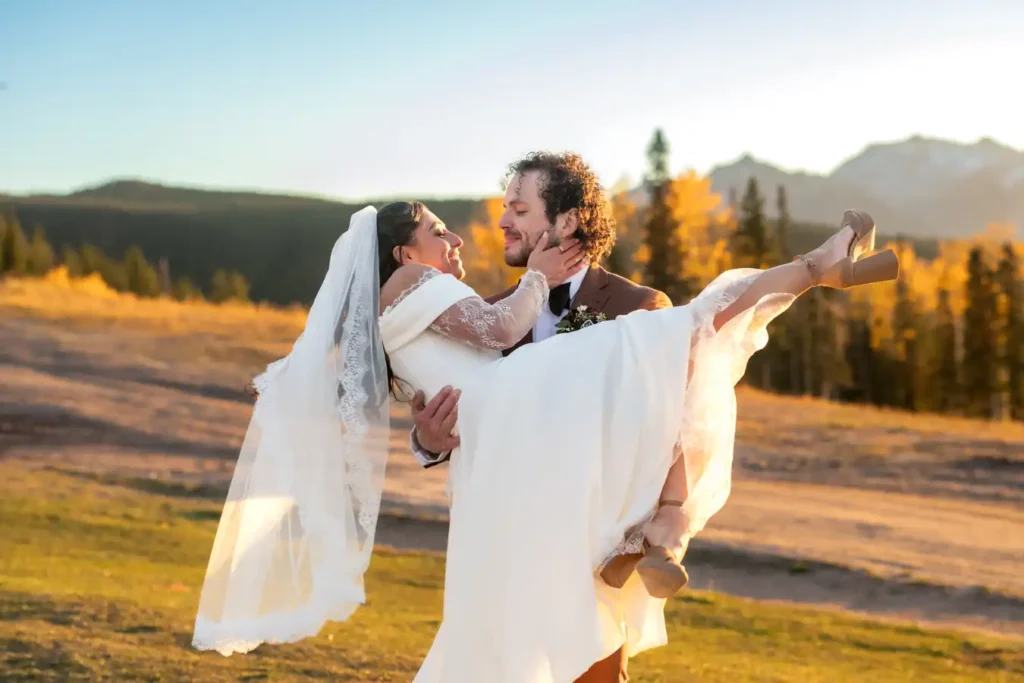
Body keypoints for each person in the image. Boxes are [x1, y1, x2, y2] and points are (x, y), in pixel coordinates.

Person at [192, 164, 899, 683]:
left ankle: (655, 531)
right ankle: (815, 268)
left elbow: (663, 409)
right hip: (510, 485)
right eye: (445, 227)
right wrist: (427, 440)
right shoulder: (469, 295)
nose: (494, 223)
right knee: (693, 328)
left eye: (518, 208)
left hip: (563, 488)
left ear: (564, 223)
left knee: (680, 337)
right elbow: (465, 368)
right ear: (405, 253)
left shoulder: (631, 301)